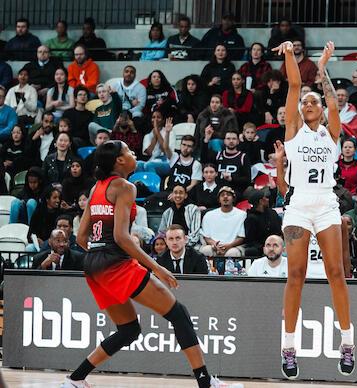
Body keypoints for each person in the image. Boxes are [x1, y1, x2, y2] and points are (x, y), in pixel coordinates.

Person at [66, 140, 230, 388]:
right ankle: (206, 383)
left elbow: (80, 236)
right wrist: (158, 267)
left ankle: (75, 379)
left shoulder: (96, 188)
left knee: (128, 330)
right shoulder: (124, 186)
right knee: (179, 314)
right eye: (129, 152)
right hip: (115, 262)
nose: (134, 155)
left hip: (94, 265)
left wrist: (99, 256)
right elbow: (121, 237)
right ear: (119, 161)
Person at [272, 40, 354, 378]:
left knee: (336, 273)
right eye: (304, 101)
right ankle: (288, 348)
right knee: (296, 275)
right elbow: (294, 84)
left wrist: (323, 66)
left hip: (326, 203)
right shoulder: (292, 131)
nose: (307, 102)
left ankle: (348, 342)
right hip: (298, 204)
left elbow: (332, 97)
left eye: (312, 101)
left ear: (320, 109)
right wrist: (291, 53)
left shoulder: (330, 133)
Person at [198, 186, 246, 257]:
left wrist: (228, 246)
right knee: (206, 250)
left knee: (232, 253)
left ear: (233, 199)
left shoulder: (242, 214)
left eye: (228, 195)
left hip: (233, 247)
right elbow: (206, 237)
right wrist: (215, 245)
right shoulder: (209, 215)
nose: (225, 197)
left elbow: (241, 237)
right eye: (222, 195)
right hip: (213, 246)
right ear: (219, 199)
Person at [244, 189, 283, 256]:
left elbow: (279, 231)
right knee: (252, 251)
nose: (268, 199)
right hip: (261, 248)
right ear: (261, 201)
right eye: (266, 198)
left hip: (277, 244)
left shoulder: (273, 213)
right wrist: (266, 247)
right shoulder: (251, 218)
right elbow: (251, 241)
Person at [137, 111, 174, 177]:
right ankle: (139, 185)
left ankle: (154, 186)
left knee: (150, 165)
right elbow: (148, 152)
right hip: (153, 159)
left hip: (167, 162)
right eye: (153, 117)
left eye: (158, 117)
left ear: (163, 120)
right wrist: (155, 135)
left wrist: (157, 131)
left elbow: (166, 151)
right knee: (138, 164)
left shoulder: (170, 132)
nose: (155, 120)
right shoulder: (148, 136)